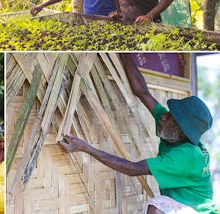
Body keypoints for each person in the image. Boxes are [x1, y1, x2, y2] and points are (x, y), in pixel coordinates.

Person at [60, 54, 217, 214]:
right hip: (186, 207)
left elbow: (134, 169)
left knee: (158, 204)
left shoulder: (185, 156)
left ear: (182, 131)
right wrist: (123, 53)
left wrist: (85, 148)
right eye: (168, 113)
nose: (163, 115)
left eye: (171, 117)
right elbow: (143, 92)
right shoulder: (171, 129)